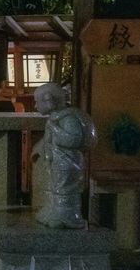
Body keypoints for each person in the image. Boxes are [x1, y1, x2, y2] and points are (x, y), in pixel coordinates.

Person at [31, 83, 96, 229]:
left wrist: (54, 128)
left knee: (65, 189)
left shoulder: (68, 119)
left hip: (67, 162)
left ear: (49, 101)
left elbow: (73, 140)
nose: (36, 106)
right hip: (56, 161)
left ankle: (67, 217)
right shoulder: (56, 119)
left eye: (38, 102)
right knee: (54, 188)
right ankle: (53, 212)